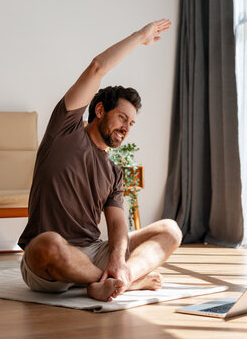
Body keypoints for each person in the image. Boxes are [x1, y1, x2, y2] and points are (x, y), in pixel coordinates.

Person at [18, 19, 183, 302]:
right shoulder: (65, 129)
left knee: (170, 229)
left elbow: (118, 225)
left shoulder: (113, 172)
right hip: (54, 260)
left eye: (131, 122)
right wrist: (140, 36)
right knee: (47, 244)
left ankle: (119, 276)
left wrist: (117, 258)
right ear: (98, 110)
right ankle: (122, 283)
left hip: (94, 253)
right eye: (121, 117)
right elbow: (98, 67)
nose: (126, 127)